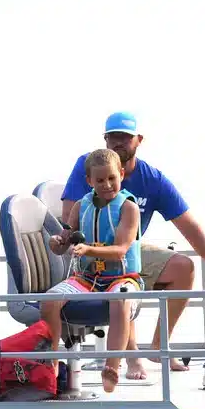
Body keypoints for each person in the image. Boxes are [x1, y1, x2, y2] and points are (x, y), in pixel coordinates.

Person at [60, 112, 205, 374]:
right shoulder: (89, 165)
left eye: (124, 137)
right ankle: (133, 356)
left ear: (139, 140)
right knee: (123, 278)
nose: (118, 143)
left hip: (128, 248)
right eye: (112, 137)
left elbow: (189, 226)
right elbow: (69, 219)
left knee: (183, 267)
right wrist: (81, 246)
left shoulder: (152, 179)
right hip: (91, 253)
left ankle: (160, 347)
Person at [42, 149, 142, 393]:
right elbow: (64, 241)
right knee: (50, 301)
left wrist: (87, 250)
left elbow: (120, 250)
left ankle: (112, 366)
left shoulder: (129, 207)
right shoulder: (80, 206)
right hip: (86, 278)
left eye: (111, 178)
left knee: (120, 299)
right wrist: (57, 242)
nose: (107, 185)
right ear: (89, 181)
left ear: (121, 174)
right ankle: (52, 360)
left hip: (123, 277)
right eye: (99, 180)